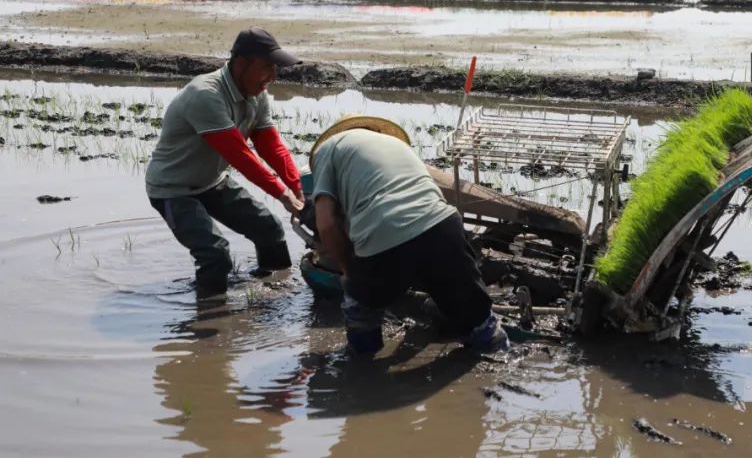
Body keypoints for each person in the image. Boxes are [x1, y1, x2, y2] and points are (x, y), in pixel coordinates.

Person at [308, 115, 508, 354]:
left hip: (384, 233)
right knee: (479, 320)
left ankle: (361, 369)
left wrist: (349, 273)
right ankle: (496, 351)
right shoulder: (396, 146)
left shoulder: (327, 150)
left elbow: (327, 224)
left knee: (360, 307)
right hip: (444, 224)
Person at [146, 27, 305, 303]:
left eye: (275, 68)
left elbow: (270, 146)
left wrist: (296, 188)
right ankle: (211, 319)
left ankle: (275, 295)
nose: (273, 76)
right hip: (173, 189)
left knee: (268, 229)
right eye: (267, 67)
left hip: (212, 182)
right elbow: (240, 155)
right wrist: (282, 194)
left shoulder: (256, 92)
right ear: (241, 63)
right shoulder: (205, 94)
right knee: (215, 254)